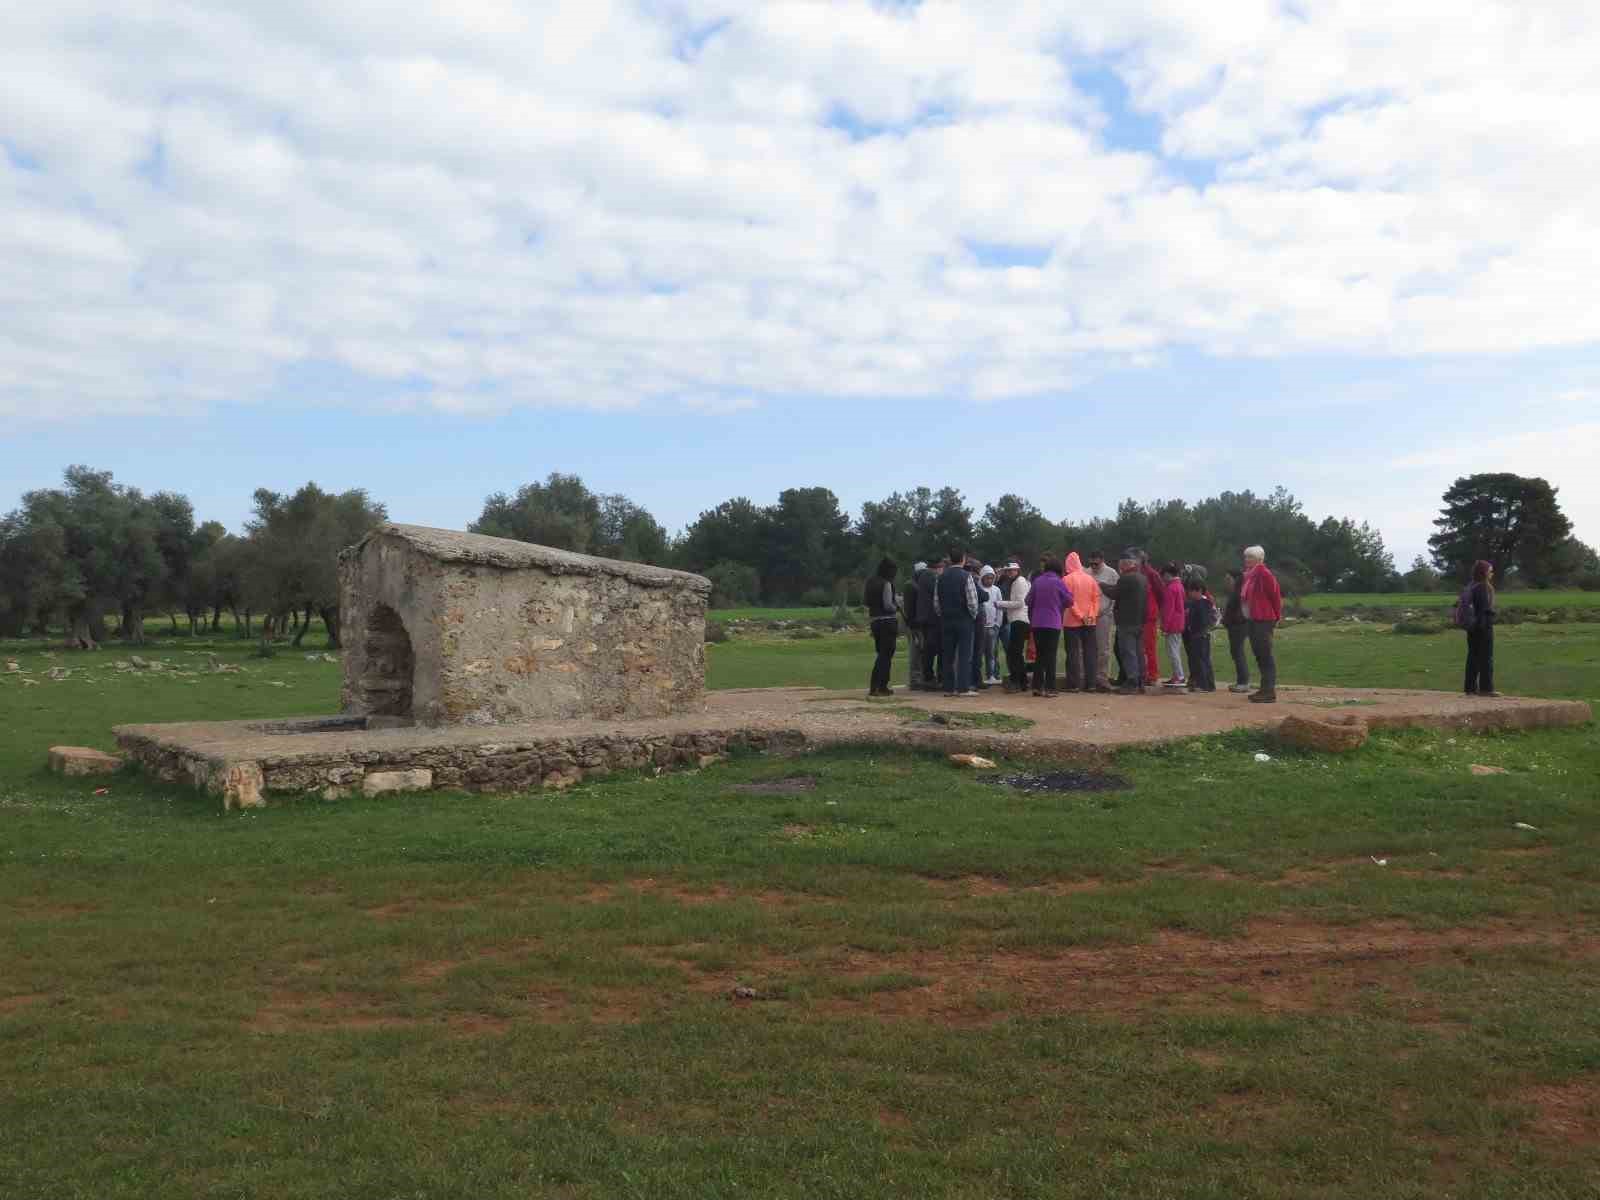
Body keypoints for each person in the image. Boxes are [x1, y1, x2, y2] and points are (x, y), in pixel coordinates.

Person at [933, 548, 979, 697]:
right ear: (963, 559)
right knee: (964, 655)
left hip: (946, 619)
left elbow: (936, 602)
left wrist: (942, 615)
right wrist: (972, 616)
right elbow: (972, 601)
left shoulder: (941, 577)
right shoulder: (966, 576)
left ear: (950, 560)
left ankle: (948, 688)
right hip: (963, 618)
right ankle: (963, 687)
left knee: (948, 655)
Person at [1239, 545, 1282, 703]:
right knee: (1259, 655)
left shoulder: (1264, 573)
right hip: (1253, 619)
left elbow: (1275, 595)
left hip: (1263, 619)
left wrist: (1277, 616)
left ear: (1259, 559)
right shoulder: (1250, 576)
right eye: (1246, 557)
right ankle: (1264, 689)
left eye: (1250, 557)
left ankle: (1268, 691)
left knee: (1265, 655)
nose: (1246, 560)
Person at [1026, 557, 1068, 696]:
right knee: (1051, 655)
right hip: (1053, 622)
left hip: (1037, 623)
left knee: (1040, 655)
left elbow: (1028, 600)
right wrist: (1059, 605)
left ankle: (1037, 687)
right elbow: (1070, 600)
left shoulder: (1037, 581)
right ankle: (1050, 688)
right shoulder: (1058, 582)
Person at [1062, 552, 1100, 692]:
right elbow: (1096, 599)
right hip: (1090, 621)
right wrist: (1091, 615)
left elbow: (1069, 601)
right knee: (1090, 653)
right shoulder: (1090, 579)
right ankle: (1091, 684)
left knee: (1073, 653)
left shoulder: (1066, 579)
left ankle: (1074, 684)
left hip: (1071, 622)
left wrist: (1079, 615)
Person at [863, 558, 899, 697]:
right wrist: (897, 606)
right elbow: (888, 605)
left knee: (881, 654)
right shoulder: (886, 584)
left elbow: (867, 603)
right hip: (888, 622)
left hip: (875, 622)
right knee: (886, 656)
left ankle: (880, 686)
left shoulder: (870, 582)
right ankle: (878, 686)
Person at [1464, 559, 1499, 696]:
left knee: (1473, 657)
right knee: (1486, 658)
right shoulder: (1483, 587)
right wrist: (1492, 614)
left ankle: (1470, 688)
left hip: (1471, 627)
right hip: (1483, 627)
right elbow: (1484, 609)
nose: (1492, 573)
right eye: (1490, 571)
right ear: (1484, 572)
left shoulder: (1471, 586)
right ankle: (1486, 688)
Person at [1113, 557, 1148, 694]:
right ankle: (1140, 681)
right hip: (1139, 621)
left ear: (1124, 566)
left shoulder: (1126, 579)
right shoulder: (1142, 578)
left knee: (1128, 652)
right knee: (1138, 652)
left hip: (1126, 621)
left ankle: (1132, 681)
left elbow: (1114, 594)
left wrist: (1101, 585)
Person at [996, 560, 1031, 693]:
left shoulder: (1020, 582)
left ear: (1017, 570)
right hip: (1017, 620)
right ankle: (1022, 682)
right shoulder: (1016, 582)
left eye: (1012, 570)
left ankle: (1017, 681)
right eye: (1008, 570)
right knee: (1015, 652)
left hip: (1020, 620)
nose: (1010, 572)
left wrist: (1000, 604)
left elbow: (1019, 603)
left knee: (1014, 652)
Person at [1086, 550, 1118, 692]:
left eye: (1096, 563)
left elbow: (1117, 594)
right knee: (1088, 648)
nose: (1093, 566)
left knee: (1104, 649)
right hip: (1088, 615)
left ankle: (1102, 678)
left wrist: (1109, 611)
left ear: (1102, 560)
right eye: (1091, 563)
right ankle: (1089, 677)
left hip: (1104, 615)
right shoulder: (1086, 573)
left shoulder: (1111, 573)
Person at [1183, 579, 1217, 692]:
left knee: (1201, 660)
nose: (1189, 594)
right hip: (1201, 635)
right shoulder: (1197, 603)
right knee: (1204, 659)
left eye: (1192, 591)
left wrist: (1195, 629)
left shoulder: (1203, 603)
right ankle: (1209, 684)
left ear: (1199, 591)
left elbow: (1204, 621)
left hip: (1200, 635)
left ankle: (1204, 685)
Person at [1159, 562, 1188, 689]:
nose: (1162, 578)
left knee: (1173, 651)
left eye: (1163, 576)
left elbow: (1168, 609)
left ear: (1167, 574)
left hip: (1173, 624)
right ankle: (1177, 675)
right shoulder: (1179, 586)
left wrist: (1165, 626)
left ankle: (1179, 676)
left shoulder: (1171, 588)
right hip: (1178, 622)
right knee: (1174, 650)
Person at [1221, 568, 1251, 693]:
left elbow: (1237, 611)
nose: (1226, 581)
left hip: (1238, 625)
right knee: (1236, 652)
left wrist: (1228, 620)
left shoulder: (1239, 593)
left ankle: (1243, 682)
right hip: (1235, 625)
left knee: (1238, 652)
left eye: (1228, 579)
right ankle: (1241, 680)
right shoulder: (1235, 592)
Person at [916, 557, 943, 690]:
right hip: (931, 619)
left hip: (925, 618)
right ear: (937, 567)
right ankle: (929, 678)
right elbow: (938, 592)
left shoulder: (923, 576)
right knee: (931, 649)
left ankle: (929, 677)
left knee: (929, 649)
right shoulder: (930, 577)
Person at [1137, 550, 1163, 686]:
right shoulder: (1137, 573)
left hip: (1149, 614)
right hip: (1139, 615)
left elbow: (1161, 593)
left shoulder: (1152, 574)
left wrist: (1157, 611)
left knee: (1149, 646)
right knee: (1140, 647)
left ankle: (1152, 675)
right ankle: (1144, 672)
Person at [902, 561, 927, 691]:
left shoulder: (913, 585)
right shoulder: (911, 586)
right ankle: (915, 680)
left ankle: (919, 678)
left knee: (920, 652)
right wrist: (913, 624)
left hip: (916, 623)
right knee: (916, 652)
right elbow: (910, 609)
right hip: (914, 624)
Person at [979, 565, 1003, 685]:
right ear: (982, 578)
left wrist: (998, 624)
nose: (989, 580)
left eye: (991, 578)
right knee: (979, 652)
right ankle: (979, 676)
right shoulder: (978, 588)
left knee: (992, 653)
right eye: (987, 578)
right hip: (981, 627)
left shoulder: (996, 590)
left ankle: (991, 675)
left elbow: (999, 608)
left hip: (993, 627)